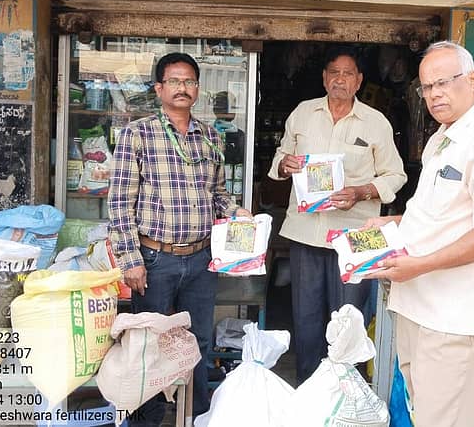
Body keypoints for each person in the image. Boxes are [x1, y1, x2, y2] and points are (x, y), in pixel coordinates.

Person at [367, 41, 474, 427]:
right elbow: (439, 214)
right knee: (425, 415)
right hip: (418, 308)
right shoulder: (441, 138)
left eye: (444, 83)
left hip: (456, 318)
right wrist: (393, 223)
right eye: (427, 87)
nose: (434, 94)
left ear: (472, 80)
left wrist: (419, 265)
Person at [108, 52, 251, 423]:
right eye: (174, 81)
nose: (182, 88)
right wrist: (130, 260)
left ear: (198, 88)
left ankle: (196, 416)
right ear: (159, 88)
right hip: (155, 259)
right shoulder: (136, 134)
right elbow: (121, 202)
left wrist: (237, 213)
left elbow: (218, 194)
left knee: (199, 342)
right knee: (149, 345)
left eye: (188, 81)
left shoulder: (209, 135)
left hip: (201, 259)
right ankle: (148, 419)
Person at [268, 45, 407, 383]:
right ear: (324, 77)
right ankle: (308, 395)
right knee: (307, 319)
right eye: (334, 73)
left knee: (348, 320)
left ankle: (347, 399)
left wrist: (361, 192)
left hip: (354, 238)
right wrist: (285, 165)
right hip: (307, 233)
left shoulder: (376, 122)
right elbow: (281, 156)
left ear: (358, 81)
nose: (340, 80)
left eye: (347, 74)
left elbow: (396, 175)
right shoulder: (303, 113)